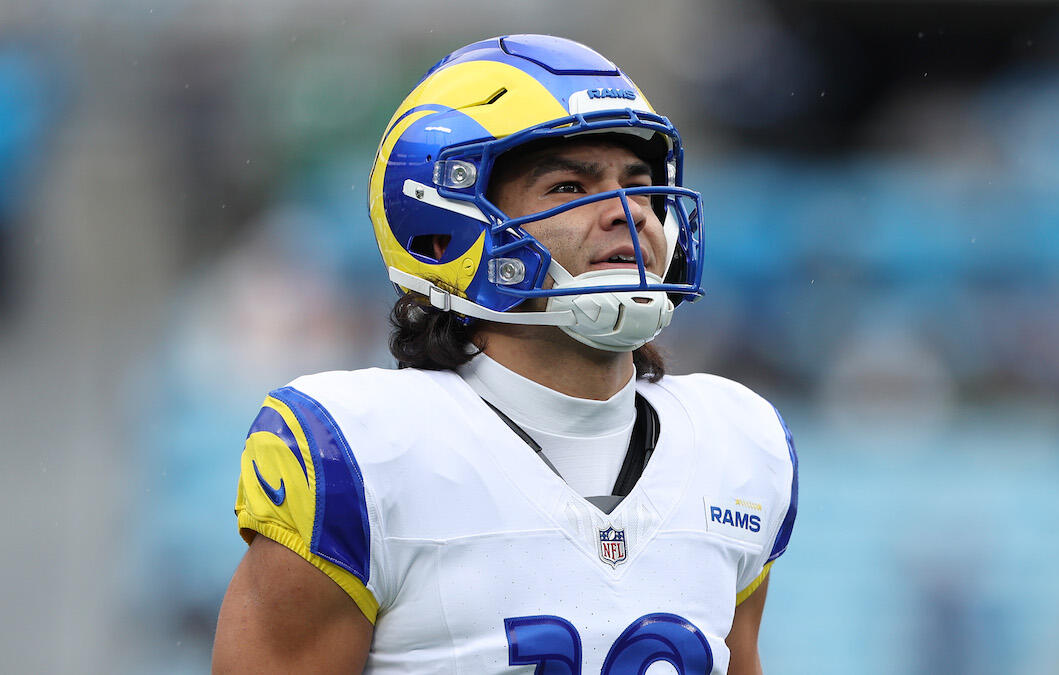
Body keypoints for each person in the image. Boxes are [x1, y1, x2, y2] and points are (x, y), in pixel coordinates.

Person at [212, 34, 797, 674]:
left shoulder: (738, 443)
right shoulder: (361, 451)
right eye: (569, 186)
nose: (627, 213)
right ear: (447, 225)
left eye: (639, 184)